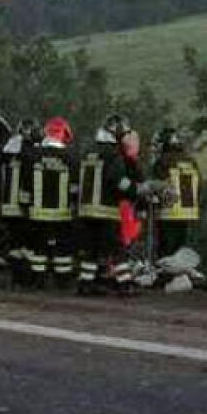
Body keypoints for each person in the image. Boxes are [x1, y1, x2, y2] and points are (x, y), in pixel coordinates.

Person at [76, 114, 142, 296]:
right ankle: (125, 284)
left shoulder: (88, 152)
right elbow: (117, 180)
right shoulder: (114, 154)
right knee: (117, 249)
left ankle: (85, 284)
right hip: (106, 211)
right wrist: (136, 189)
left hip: (86, 210)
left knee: (91, 250)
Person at [28, 117, 77, 289]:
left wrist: (26, 204)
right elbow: (75, 186)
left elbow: (25, 183)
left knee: (38, 247)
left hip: (37, 212)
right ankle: (62, 280)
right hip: (62, 214)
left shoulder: (33, 155)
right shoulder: (70, 157)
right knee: (62, 248)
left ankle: (37, 279)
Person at [150, 128, 201, 258]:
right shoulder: (190, 161)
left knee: (166, 252)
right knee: (180, 251)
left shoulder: (162, 162)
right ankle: (179, 276)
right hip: (187, 214)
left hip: (168, 213)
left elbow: (156, 187)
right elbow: (199, 186)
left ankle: (165, 276)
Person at [1, 118, 37, 288]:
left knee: (14, 243)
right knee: (27, 244)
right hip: (23, 206)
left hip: (7, 205)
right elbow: (28, 180)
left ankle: (15, 278)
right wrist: (27, 202)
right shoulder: (29, 153)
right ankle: (26, 278)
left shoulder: (7, 151)